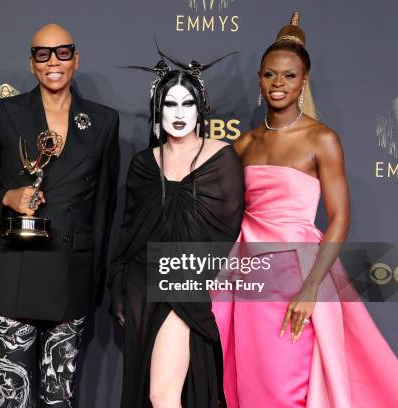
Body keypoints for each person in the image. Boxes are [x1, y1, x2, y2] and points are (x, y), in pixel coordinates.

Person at [212, 12, 398, 408]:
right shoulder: (243, 145)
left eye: (289, 76)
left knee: (286, 385)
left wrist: (311, 287)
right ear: (259, 80)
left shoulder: (322, 139)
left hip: (298, 275)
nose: (279, 84)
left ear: (304, 81)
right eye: (270, 75)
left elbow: (340, 219)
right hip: (248, 277)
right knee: (248, 382)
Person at [0, 24, 119, 407]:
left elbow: (104, 208)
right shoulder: (3, 113)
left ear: (76, 59)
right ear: (32, 64)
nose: (54, 61)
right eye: (43, 53)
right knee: (10, 397)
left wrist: (97, 279)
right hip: (14, 270)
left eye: (63, 52)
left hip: (71, 275)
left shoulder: (103, 121)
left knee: (59, 398)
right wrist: (8, 196)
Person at [109, 52, 244, 407]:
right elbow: (129, 231)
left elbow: (224, 233)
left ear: (202, 109)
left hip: (183, 287)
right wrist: (120, 285)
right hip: (140, 285)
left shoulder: (221, 158)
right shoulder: (143, 164)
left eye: (188, 103)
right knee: (145, 392)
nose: (180, 113)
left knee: (162, 394)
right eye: (170, 104)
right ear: (158, 110)